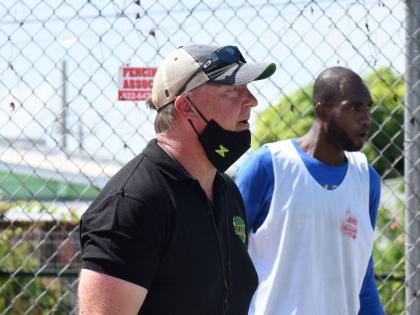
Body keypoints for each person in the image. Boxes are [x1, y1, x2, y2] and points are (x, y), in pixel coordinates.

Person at [78, 44, 276, 315]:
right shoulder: (134, 203)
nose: (251, 100)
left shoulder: (227, 192)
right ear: (186, 106)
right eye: (233, 89)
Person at [236, 66, 384, 315]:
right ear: (322, 110)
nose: (367, 118)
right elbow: (225, 258)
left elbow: (362, 275)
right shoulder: (269, 166)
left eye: (368, 108)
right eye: (354, 107)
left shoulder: (367, 179)